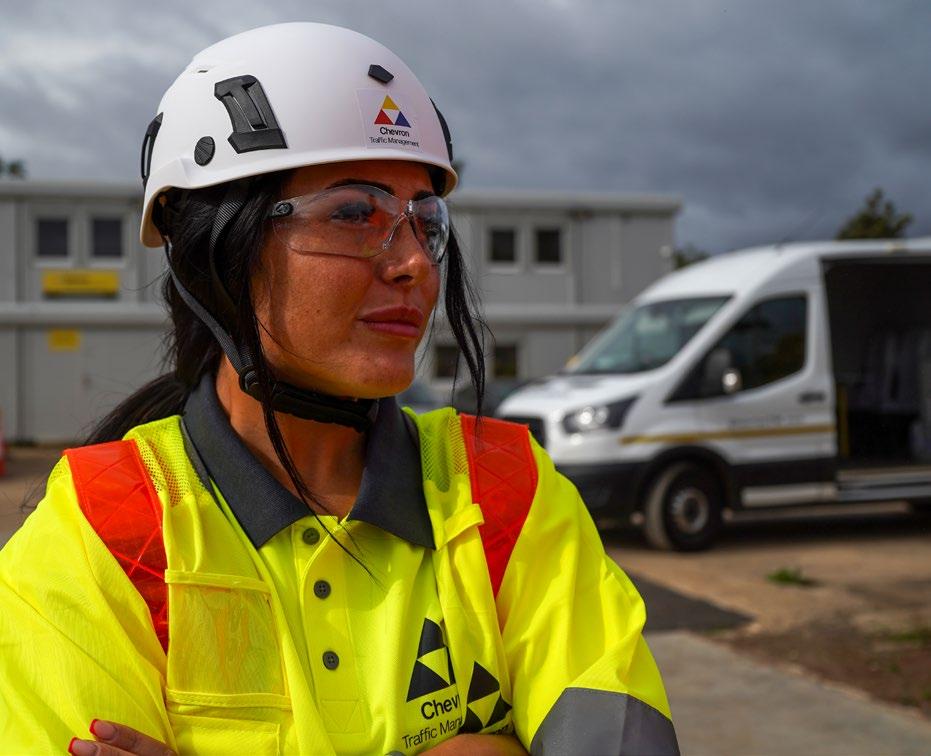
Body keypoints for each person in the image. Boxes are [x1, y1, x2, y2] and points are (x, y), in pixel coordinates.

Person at [0, 23, 678, 756]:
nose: (415, 263)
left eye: (425, 222)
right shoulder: (103, 527)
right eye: (355, 214)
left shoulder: (505, 489)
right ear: (217, 252)